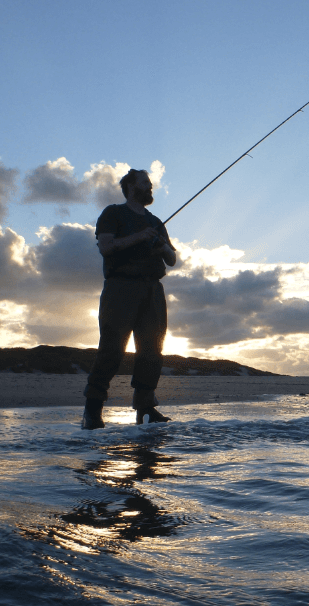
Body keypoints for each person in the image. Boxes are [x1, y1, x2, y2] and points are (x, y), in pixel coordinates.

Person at [81, 169, 178, 429]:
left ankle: (145, 409)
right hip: (120, 287)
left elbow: (172, 259)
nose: (150, 186)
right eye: (145, 182)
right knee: (112, 348)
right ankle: (92, 410)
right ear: (131, 187)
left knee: (152, 351)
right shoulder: (113, 213)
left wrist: (161, 245)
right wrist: (139, 237)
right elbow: (105, 247)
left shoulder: (156, 221)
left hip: (152, 291)